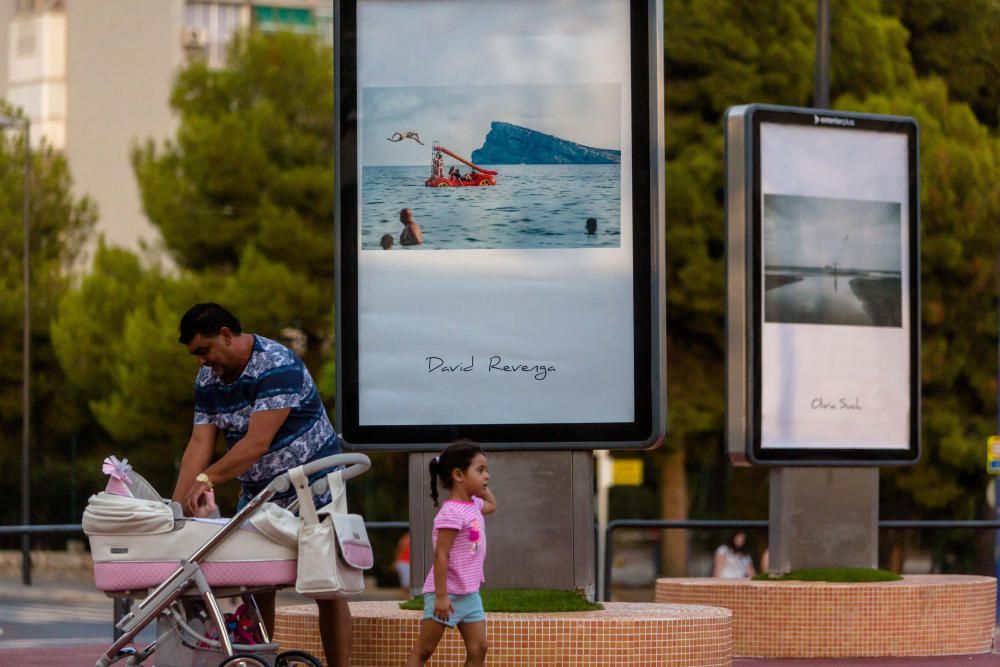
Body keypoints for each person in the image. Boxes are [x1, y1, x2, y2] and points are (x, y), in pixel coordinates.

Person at [171, 302, 352, 666]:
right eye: (194, 355)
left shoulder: (276, 364)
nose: (200, 361)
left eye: (203, 351)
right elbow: (199, 443)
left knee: (326, 587)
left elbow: (257, 443)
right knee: (254, 585)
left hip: (312, 487)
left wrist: (208, 478)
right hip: (259, 493)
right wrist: (173, 510)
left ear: (226, 335)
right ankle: (262, 661)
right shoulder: (208, 379)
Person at [406, 440, 497, 667]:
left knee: (479, 647)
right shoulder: (452, 513)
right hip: (448, 594)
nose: (487, 476)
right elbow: (441, 555)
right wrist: (441, 597)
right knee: (424, 650)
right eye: (480, 470)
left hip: (470, 593)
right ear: (458, 474)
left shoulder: (473, 505)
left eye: (486, 470)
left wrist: (482, 485)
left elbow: (493, 505)